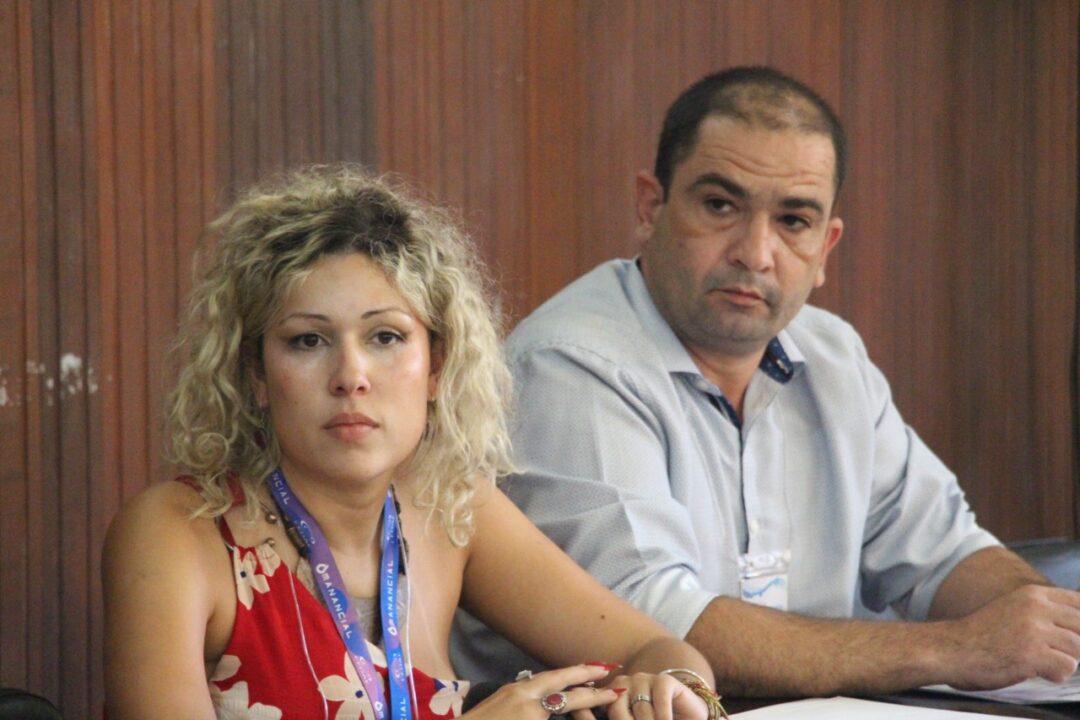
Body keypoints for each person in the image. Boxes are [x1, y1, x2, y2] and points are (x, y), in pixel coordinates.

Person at [452, 66, 1080, 696]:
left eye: (793, 220)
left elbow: (944, 551)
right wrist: (957, 649)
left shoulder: (833, 356)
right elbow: (657, 630)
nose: (755, 253)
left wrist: (1047, 627)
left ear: (825, 247)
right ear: (651, 207)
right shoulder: (571, 364)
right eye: (720, 206)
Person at [102, 166, 721, 720]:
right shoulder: (177, 534)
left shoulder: (450, 506)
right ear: (257, 376)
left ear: (436, 369)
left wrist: (669, 689)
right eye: (308, 341)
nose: (351, 377)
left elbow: (656, 647)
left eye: (386, 338)